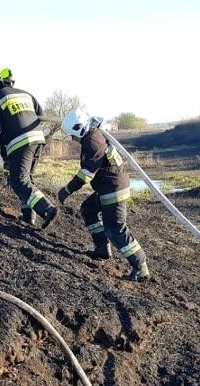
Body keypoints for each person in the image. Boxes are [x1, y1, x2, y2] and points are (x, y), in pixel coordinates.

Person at [57, 109, 150, 281]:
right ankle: (102, 248)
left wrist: (67, 190)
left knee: (115, 229)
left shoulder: (92, 141)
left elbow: (86, 174)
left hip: (113, 189)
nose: (72, 139)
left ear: (79, 128)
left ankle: (140, 267)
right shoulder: (94, 136)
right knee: (88, 209)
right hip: (108, 187)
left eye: (72, 135)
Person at [0, 73, 58, 228]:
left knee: (19, 181)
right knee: (27, 179)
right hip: (38, 139)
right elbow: (41, 115)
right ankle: (29, 217)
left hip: (19, 143)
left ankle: (46, 208)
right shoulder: (25, 93)